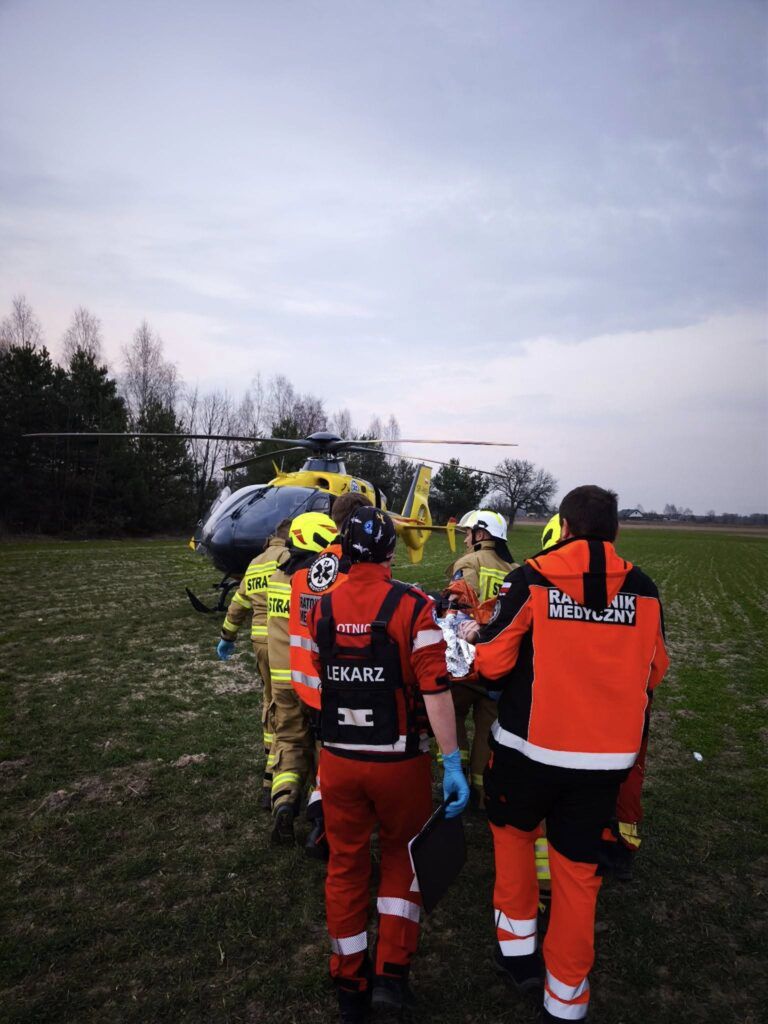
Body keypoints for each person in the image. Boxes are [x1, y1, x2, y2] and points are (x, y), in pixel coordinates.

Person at [459, 485, 668, 1022]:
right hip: (603, 767)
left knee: (512, 847)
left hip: (527, 752)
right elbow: (656, 671)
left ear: (566, 528)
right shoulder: (644, 589)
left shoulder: (533, 577)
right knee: (578, 876)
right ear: (615, 531)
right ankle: (567, 999)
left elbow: (495, 662)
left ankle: (516, 954)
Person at [308, 506, 470, 1023]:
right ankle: (391, 977)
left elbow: (322, 669)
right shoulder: (414, 605)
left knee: (346, 865)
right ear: (389, 553)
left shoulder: (321, 607)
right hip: (398, 761)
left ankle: (348, 981)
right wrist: (452, 761)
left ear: (345, 549)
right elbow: (436, 688)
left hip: (337, 759)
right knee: (403, 859)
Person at [288, 491, 373, 857]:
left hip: (304, 685)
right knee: (343, 761)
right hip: (339, 687)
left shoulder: (305, 573)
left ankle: (317, 811)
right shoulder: (353, 575)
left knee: (327, 751)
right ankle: (325, 828)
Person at [267, 510, 339, 844]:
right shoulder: (320, 582)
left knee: (291, 740)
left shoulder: (277, 578)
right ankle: (321, 817)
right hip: (315, 681)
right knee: (327, 747)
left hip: (282, 679)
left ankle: (284, 802)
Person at [217, 519, 291, 808]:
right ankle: (284, 772)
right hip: (282, 640)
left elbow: (239, 604)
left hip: (259, 644)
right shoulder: (288, 559)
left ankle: (269, 764)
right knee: (288, 706)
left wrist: (227, 635)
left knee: (268, 700)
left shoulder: (256, 562)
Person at [446, 509, 516, 805]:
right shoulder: (516, 569)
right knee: (488, 726)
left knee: (454, 716)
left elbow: (455, 609)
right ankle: (480, 788)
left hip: (466, 663)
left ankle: (456, 777)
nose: (465, 540)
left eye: (468, 533)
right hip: (500, 666)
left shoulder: (469, 563)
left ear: (482, 534)